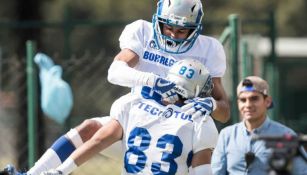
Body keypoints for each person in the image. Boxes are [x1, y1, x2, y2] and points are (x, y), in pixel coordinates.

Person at [3, 0, 230, 174]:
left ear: (196, 29)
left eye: (182, 30)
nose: (173, 35)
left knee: (204, 149)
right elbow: (115, 72)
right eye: (168, 27)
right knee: (89, 127)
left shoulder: (209, 49)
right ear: (157, 20)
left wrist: (209, 104)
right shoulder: (142, 32)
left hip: (180, 133)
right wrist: (152, 81)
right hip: (140, 124)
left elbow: (224, 110)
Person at [41, 59, 218, 175]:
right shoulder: (201, 122)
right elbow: (201, 171)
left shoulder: (134, 104)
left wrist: (62, 171)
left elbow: (98, 141)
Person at [211, 76, 307, 175]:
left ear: (268, 101)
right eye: (243, 100)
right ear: (238, 103)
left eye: (254, 98)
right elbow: (216, 172)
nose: (248, 105)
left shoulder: (286, 136)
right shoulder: (226, 135)